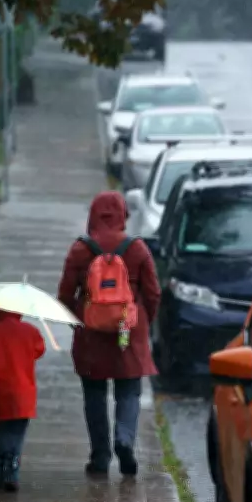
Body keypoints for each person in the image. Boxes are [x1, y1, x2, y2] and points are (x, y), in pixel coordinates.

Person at [58, 191, 161, 476]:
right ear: (122, 215)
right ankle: (124, 439)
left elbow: (65, 294)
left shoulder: (80, 250)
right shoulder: (137, 249)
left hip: (91, 334)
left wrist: (77, 321)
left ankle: (100, 456)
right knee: (129, 390)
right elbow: (153, 293)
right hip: (127, 332)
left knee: (94, 394)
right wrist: (142, 323)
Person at [0, 308, 46, 492]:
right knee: (17, 432)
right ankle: (12, 472)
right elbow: (40, 350)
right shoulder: (30, 331)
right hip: (24, 392)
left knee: (1, 430)